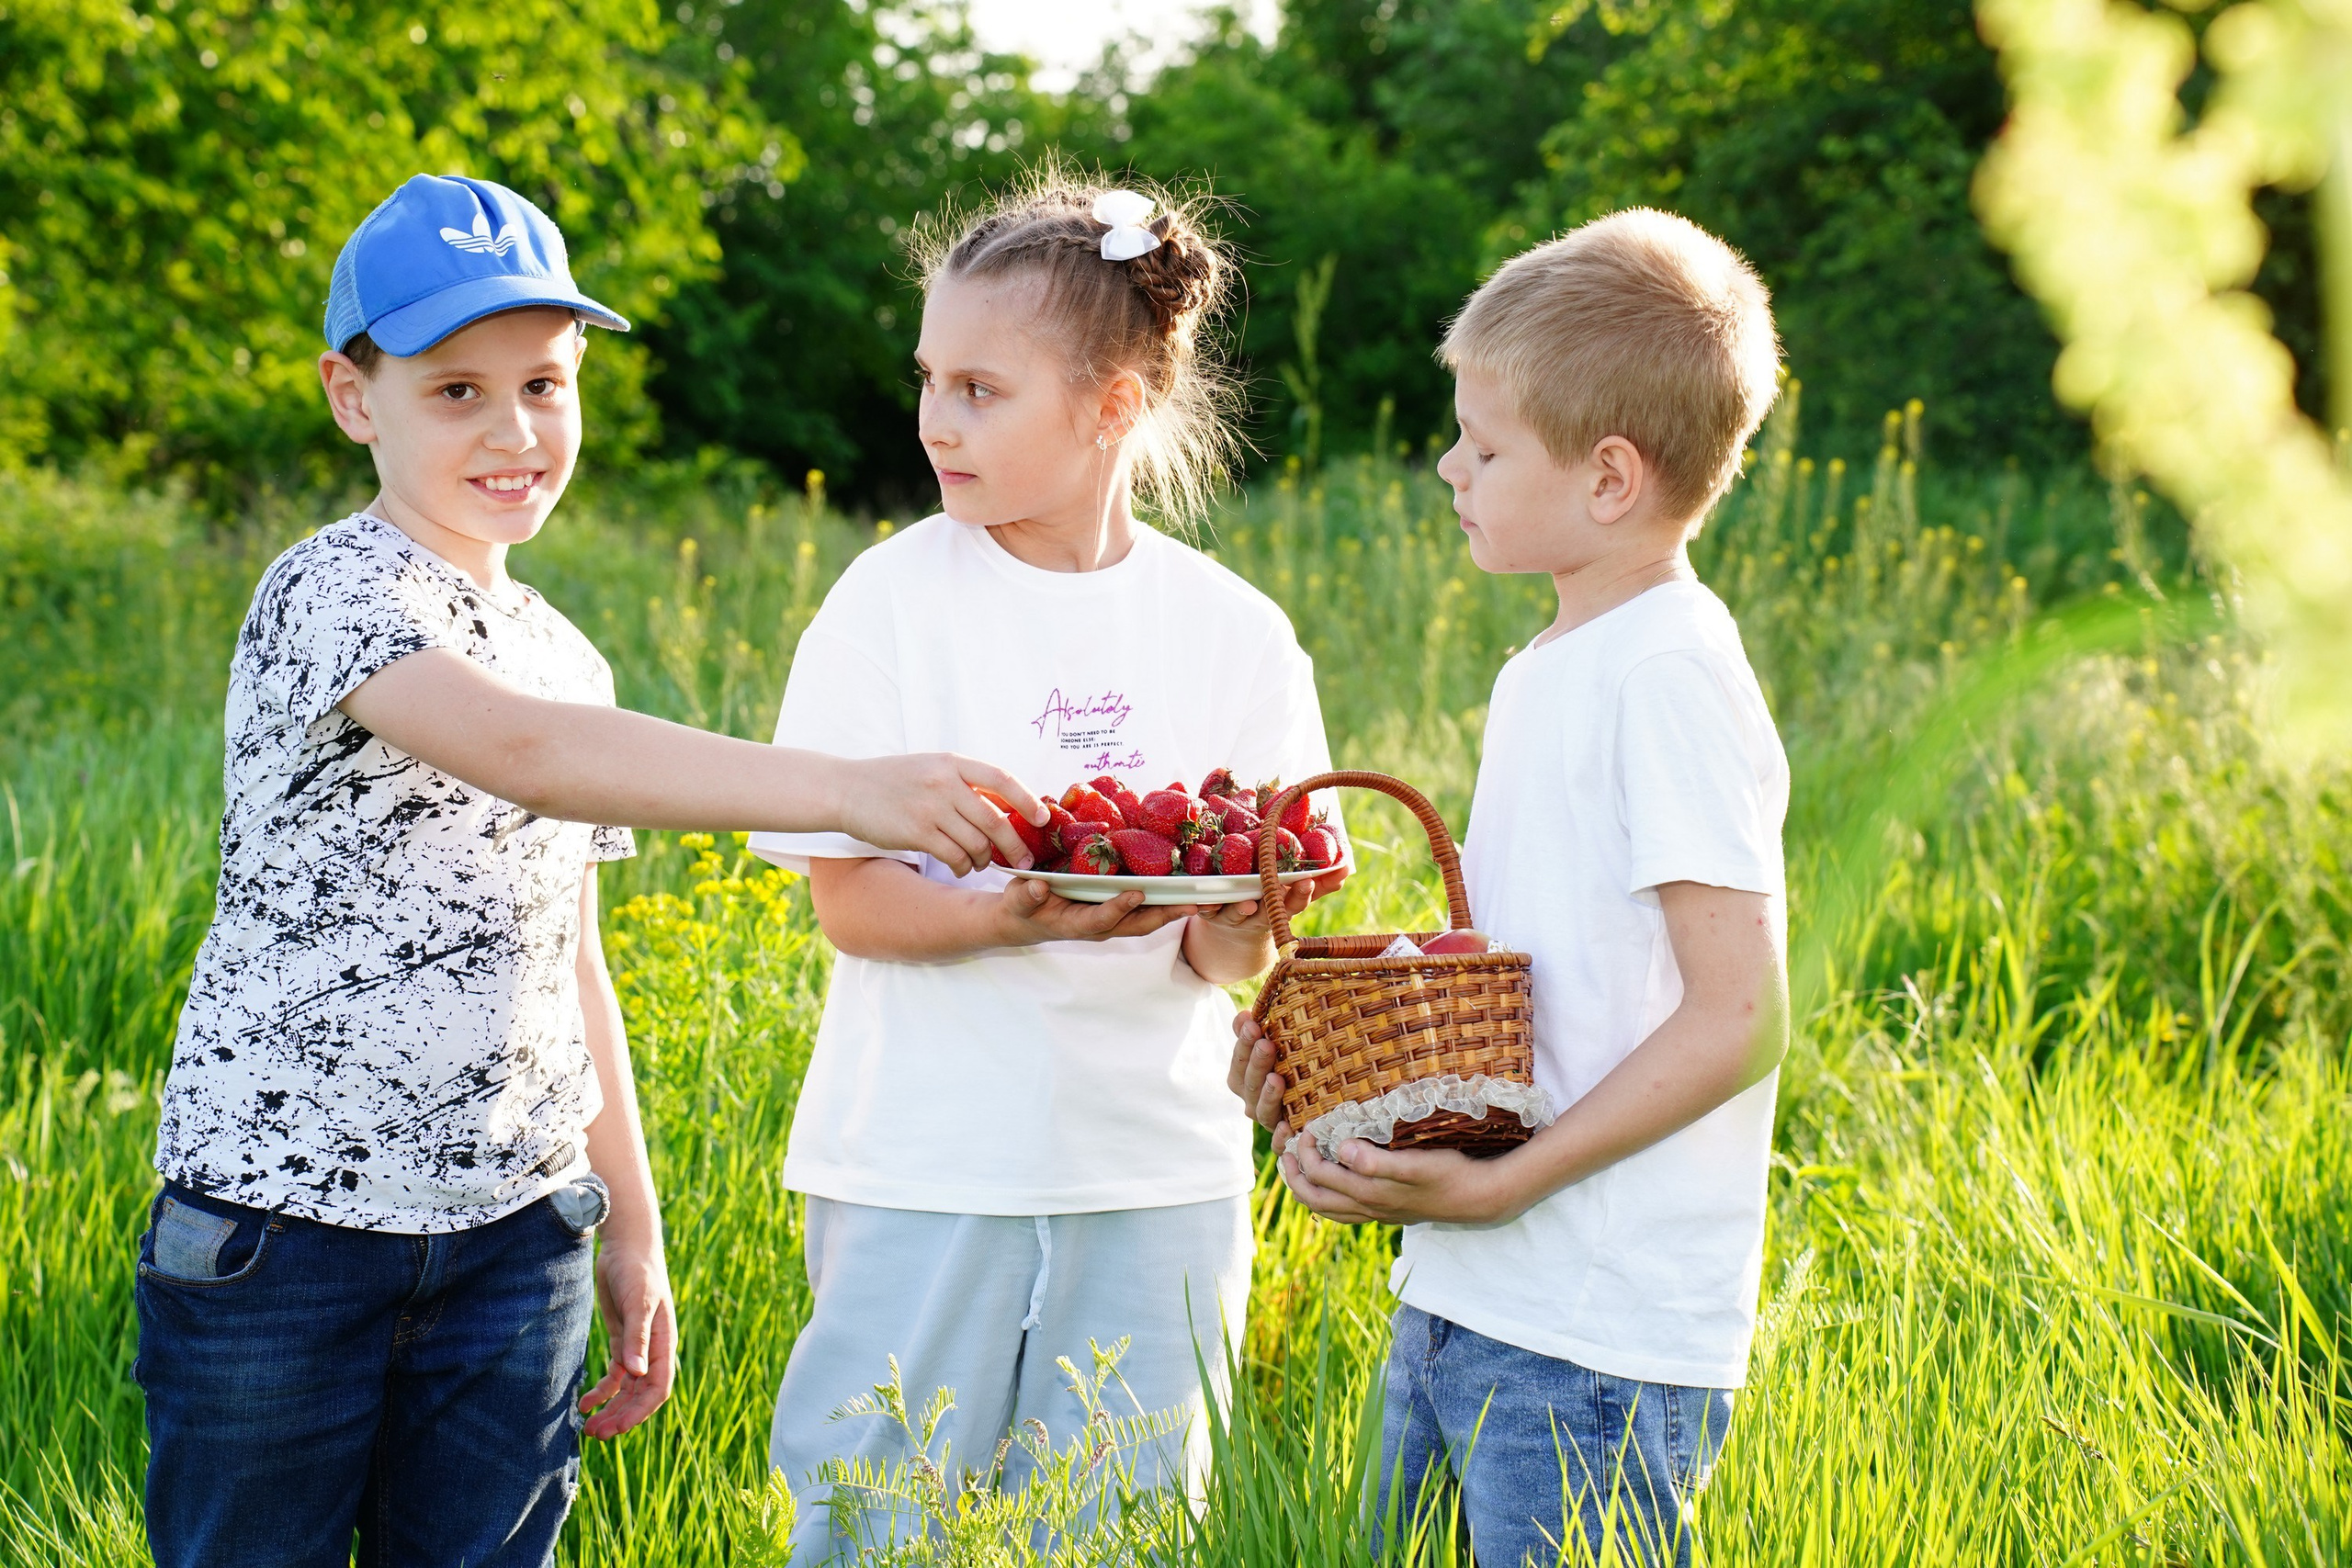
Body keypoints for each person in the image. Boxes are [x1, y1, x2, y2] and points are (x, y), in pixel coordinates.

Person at [137, 174, 1047, 1568]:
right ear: (349, 396)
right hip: (285, 1233)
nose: (515, 431)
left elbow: (572, 959)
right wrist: (859, 794)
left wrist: (629, 1226)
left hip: (519, 1237)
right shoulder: (330, 592)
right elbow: (524, 752)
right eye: (456, 393)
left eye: (546, 386)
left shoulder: (565, 648)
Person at [749, 172, 1344, 1558]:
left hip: (1153, 1168)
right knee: (873, 1523)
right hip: (925, 1160)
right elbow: (855, 903)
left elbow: (1223, 950)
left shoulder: (1233, 634)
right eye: (929, 379)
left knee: (1119, 1531)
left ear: (1112, 406)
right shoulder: (891, 600)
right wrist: (1014, 917)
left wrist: (1261, 911)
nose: (932, 419)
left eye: (979, 388)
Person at [1231, 209, 1791, 1567]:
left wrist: (1513, 1184)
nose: (1448, 466)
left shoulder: (1668, 670)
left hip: (1594, 1339)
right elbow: (1546, 982)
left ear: (1610, 478)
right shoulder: (1550, 664)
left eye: (1484, 447)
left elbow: (1740, 1017)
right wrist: (1344, 1087)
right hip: (1472, 1289)